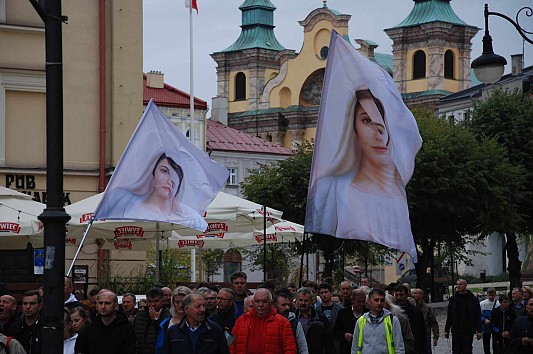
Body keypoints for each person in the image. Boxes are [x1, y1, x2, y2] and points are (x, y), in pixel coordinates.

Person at [100, 153, 206, 230]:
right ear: (153, 172)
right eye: (164, 171)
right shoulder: (126, 202)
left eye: (176, 175)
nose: (169, 180)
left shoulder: (190, 217)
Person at [231, 288, 296, 354]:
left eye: (264, 301)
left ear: (271, 303)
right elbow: (231, 346)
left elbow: (290, 349)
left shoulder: (283, 323)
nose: (261, 305)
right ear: (253, 303)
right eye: (257, 301)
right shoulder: (241, 320)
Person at [162, 294, 229, 354]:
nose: (202, 310)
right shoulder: (173, 332)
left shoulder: (215, 330)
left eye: (203, 306)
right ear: (186, 309)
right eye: (198, 306)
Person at [351, 288, 405, 354]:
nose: (379, 303)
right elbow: (354, 348)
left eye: (382, 300)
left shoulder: (392, 320)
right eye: (376, 300)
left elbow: (399, 347)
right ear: (369, 301)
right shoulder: (361, 321)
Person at [444, 279, 482, 354]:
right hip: (456, 329)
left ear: (465, 285)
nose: (458, 286)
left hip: (468, 329)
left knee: (467, 349)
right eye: (457, 284)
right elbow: (450, 315)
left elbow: (477, 315)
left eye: (461, 284)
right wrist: (446, 329)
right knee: (456, 350)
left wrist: (479, 330)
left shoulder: (473, 299)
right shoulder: (453, 299)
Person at [294, 288, 335, 354]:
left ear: (311, 301)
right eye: (300, 300)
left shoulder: (321, 318)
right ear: (296, 300)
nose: (303, 303)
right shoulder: (292, 318)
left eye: (306, 300)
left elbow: (329, 341)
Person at [133, 287, 171, 354]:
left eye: (156, 301)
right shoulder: (140, 314)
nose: (153, 304)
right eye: (150, 301)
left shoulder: (167, 314)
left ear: (162, 301)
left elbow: (166, 335)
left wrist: (156, 320)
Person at [156, 286, 193, 354]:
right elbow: (160, 348)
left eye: (183, 302)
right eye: (177, 302)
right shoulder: (165, 324)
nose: (180, 305)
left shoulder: (197, 322)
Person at [394, 285, 426, 354]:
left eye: (401, 295)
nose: (399, 297)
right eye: (396, 295)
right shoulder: (391, 312)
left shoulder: (416, 311)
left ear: (406, 295)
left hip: (414, 347)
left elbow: (422, 331)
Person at [335, 289, 367, 354]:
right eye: (359, 301)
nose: (361, 304)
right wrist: (344, 335)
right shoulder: (343, 313)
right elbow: (335, 331)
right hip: (346, 349)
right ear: (353, 300)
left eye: (363, 302)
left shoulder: (368, 313)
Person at [316, 283, 343, 351]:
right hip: (322, 345)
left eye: (326, 292)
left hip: (336, 344)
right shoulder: (316, 310)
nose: (324, 295)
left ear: (331, 293)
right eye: (321, 293)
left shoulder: (340, 309)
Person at [412, 288, 439, 353]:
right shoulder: (412, 308)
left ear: (421, 295)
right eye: (413, 293)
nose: (413, 295)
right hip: (415, 336)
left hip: (426, 336)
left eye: (416, 293)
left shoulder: (427, 308)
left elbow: (434, 323)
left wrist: (435, 336)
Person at [479, 287, 499, 354]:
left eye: (492, 295)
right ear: (487, 295)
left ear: (495, 295)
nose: (491, 297)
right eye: (489, 295)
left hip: (495, 326)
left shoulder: (498, 304)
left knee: (496, 343)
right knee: (486, 343)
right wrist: (484, 320)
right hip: (485, 326)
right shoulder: (482, 304)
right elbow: (479, 315)